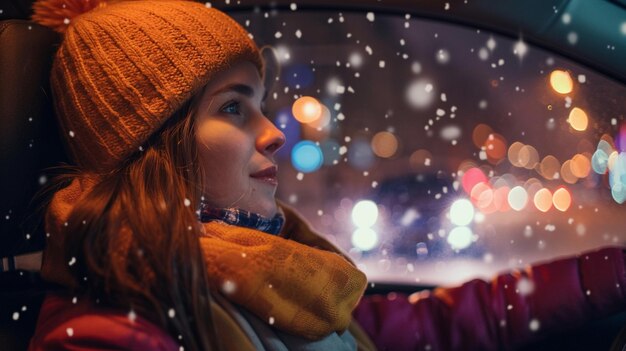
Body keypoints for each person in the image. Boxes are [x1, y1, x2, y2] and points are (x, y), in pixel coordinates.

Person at [26, 1, 626, 350]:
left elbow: (427, 324)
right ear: (152, 146)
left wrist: (607, 273)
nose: (275, 132)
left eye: (260, 104)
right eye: (233, 107)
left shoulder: (267, 275)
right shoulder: (110, 338)